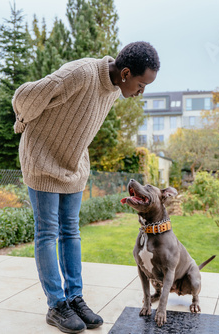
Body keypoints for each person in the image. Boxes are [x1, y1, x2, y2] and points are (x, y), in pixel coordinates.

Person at [12, 41, 160, 334]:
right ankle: (57, 305)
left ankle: (75, 298)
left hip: (73, 165)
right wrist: (22, 121)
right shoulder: (80, 73)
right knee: (47, 232)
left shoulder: (115, 90)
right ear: (126, 73)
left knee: (71, 231)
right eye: (142, 84)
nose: (142, 91)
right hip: (41, 161)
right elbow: (24, 95)